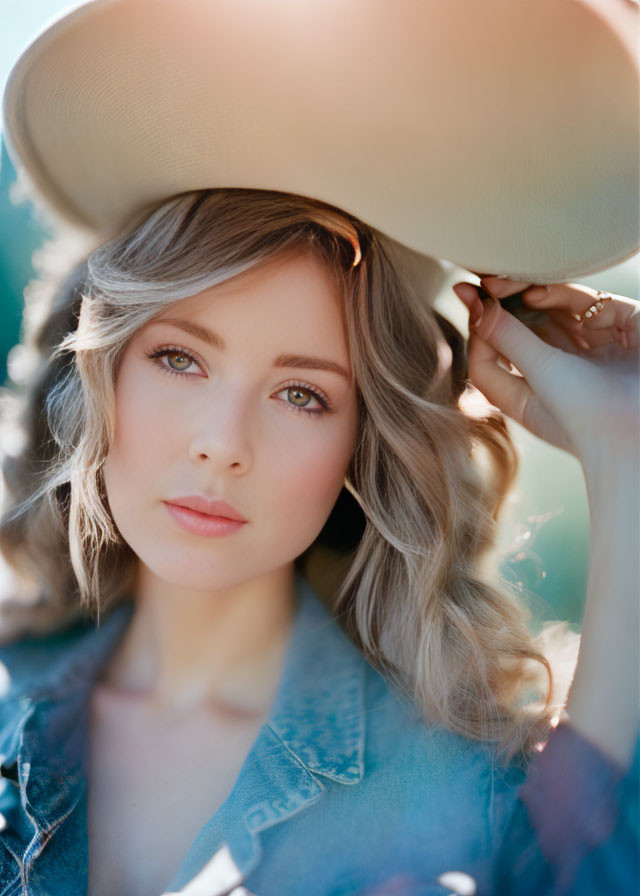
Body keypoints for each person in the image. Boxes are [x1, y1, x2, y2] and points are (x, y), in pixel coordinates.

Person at [0, 2, 638, 896]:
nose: (222, 446)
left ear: (364, 442)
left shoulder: (458, 801)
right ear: (101, 368)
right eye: (179, 358)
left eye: (302, 394)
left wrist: (625, 457)